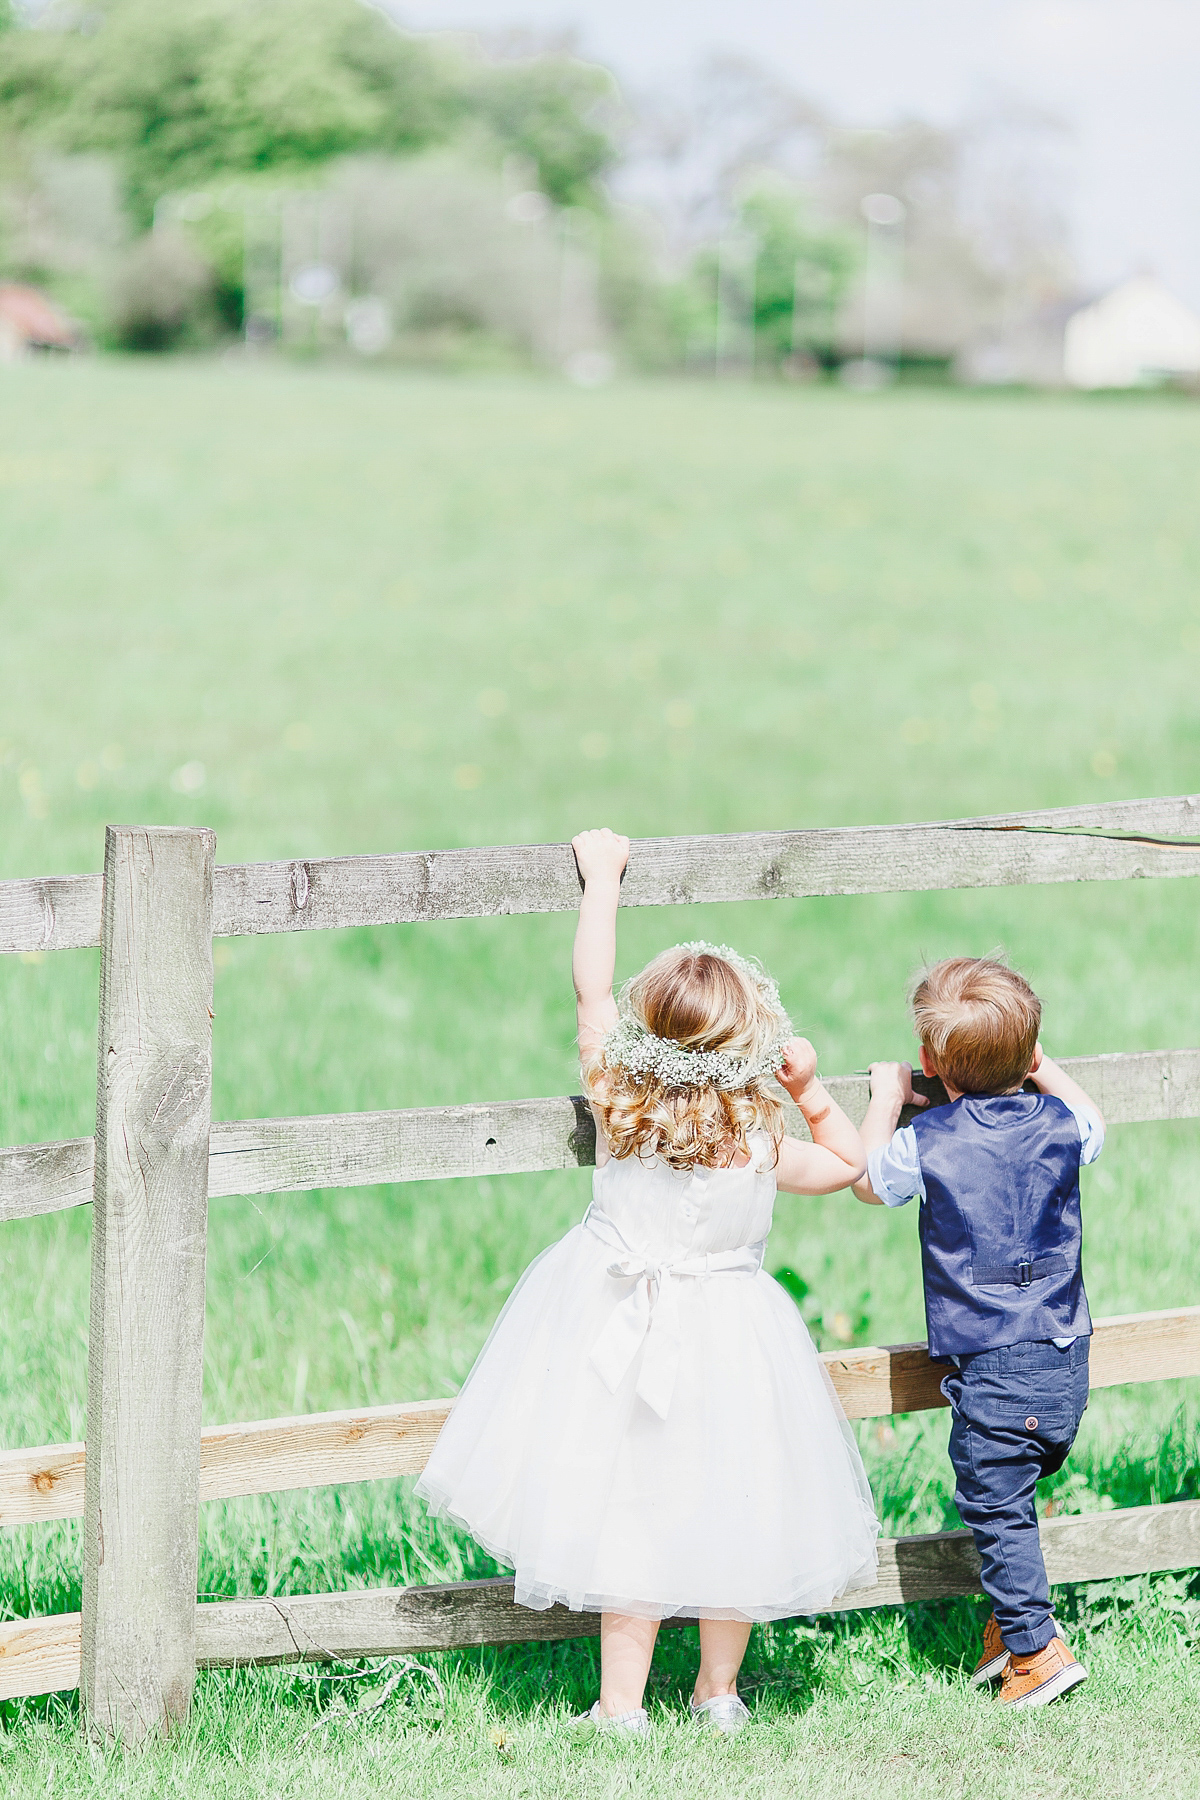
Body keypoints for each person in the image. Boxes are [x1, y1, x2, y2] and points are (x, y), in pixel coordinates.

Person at [416, 827, 880, 1735]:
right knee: (735, 1498)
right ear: (751, 1043)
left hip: (610, 1319)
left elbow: (590, 988)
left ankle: (620, 1705)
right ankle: (718, 1693)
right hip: (733, 1338)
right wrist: (818, 1090)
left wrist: (602, 881)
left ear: (651, 1033)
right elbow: (846, 1164)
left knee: (624, 1504)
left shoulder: (617, 1101)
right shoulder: (759, 1140)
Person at [852, 956, 1105, 1709]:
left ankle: (1035, 1651)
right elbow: (1095, 1121)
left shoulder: (927, 1140)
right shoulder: (1061, 1122)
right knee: (1012, 1499)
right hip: (1066, 1357)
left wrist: (884, 1095)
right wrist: (1037, 1062)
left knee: (995, 1508)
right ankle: (1010, 1627)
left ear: (930, 1062)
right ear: (1031, 1058)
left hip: (995, 1369)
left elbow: (867, 1180)